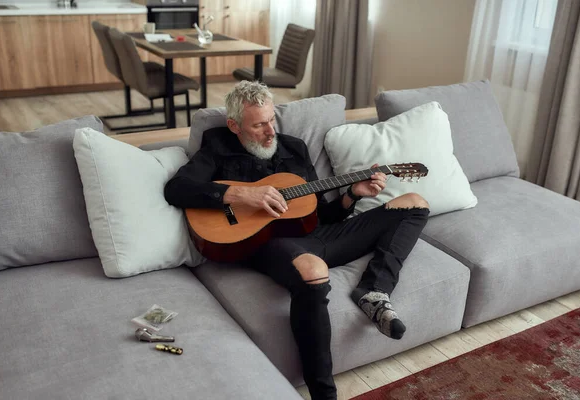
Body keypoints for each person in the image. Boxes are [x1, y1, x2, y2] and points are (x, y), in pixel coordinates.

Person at [164, 81, 429, 400]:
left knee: (413, 202)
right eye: (259, 124)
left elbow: (321, 213)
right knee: (313, 270)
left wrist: (352, 195)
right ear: (234, 125)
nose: (270, 131)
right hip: (267, 243)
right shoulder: (217, 146)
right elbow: (176, 188)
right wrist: (243, 194)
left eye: (271, 120)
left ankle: (374, 290)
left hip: (317, 235)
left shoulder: (295, 148)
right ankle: (324, 394)